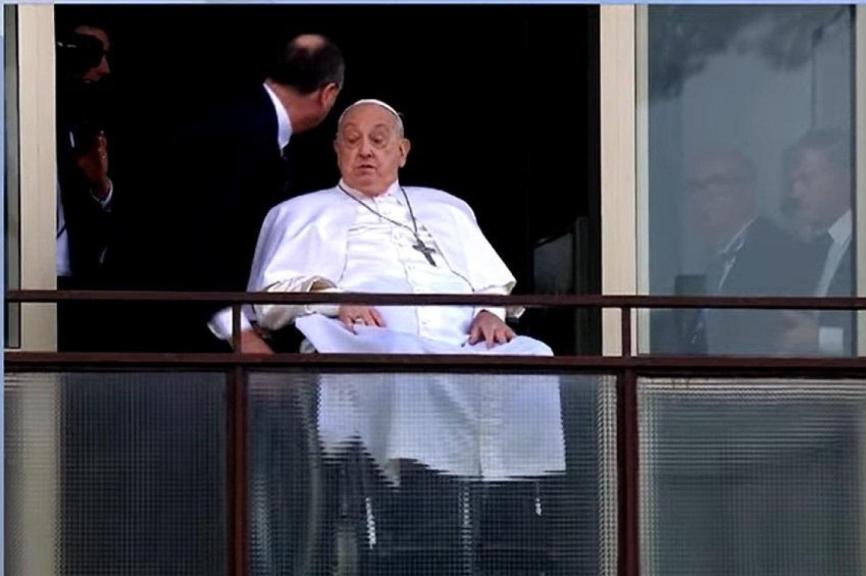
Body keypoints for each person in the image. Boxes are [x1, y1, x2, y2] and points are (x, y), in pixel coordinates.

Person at [246, 99, 565, 574]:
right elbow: (267, 301)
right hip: (364, 344)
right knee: (401, 357)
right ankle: (417, 507)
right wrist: (335, 298)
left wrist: (489, 312)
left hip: (459, 346)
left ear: (403, 150)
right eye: (352, 140)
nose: (366, 151)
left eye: (379, 139)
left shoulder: (447, 208)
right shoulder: (299, 213)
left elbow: (490, 283)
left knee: (534, 354)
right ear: (336, 151)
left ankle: (513, 513)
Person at [108, 33, 344, 353]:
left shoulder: (250, 119)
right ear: (328, 94)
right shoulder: (235, 133)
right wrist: (237, 329)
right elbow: (191, 235)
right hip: (155, 327)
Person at [652, 148, 819, 355]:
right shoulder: (716, 258)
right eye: (695, 189)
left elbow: (766, 335)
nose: (703, 199)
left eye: (717, 185)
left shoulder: (780, 252)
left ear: (748, 190)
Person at [56, 23, 117, 351]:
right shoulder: (19, 112)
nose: (103, 68)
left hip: (81, 283)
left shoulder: (97, 124)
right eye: (91, 54)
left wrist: (100, 186)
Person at [779, 128, 855, 356]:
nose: (796, 193)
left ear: (845, 176)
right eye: (793, 182)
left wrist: (820, 339)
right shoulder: (815, 250)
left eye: (806, 179)